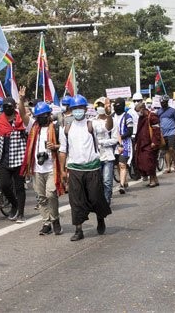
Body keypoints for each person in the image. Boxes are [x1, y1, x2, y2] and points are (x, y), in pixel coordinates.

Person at [59, 95, 112, 241]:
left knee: (95, 198)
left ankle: (100, 218)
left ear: (84, 109)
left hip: (92, 168)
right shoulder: (66, 128)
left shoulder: (92, 124)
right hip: (75, 169)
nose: (77, 111)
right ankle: (78, 229)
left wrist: (108, 114)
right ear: (71, 109)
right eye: (74, 109)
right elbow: (63, 150)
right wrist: (63, 170)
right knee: (76, 201)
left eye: (80, 108)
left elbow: (108, 127)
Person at [0, 91, 29, 222]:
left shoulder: (21, 120)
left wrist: (21, 99)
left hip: (19, 159)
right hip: (4, 159)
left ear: (14, 107)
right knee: (4, 185)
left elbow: (26, 121)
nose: (7, 108)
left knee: (20, 187)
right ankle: (14, 205)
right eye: (5, 106)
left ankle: (21, 213)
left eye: (10, 106)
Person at [20, 101, 63, 236]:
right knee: (41, 197)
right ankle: (46, 222)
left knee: (51, 194)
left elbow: (64, 146)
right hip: (37, 168)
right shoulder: (33, 127)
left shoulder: (56, 127)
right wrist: (21, 100)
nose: (41, 118)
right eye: (39, 116)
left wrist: (54, 147)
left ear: (49, 114)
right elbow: (22, 114)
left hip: (52, 167)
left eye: (44, 115)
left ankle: (55, 219)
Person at [91, 98, 115, 204]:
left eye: (103, 105)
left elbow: (114, 138)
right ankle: (99, 203)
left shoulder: (111, 120)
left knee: (107, 181)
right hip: (96, 156)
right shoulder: (92, 122)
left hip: (108, 155)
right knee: (97, 182)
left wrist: (101, 142)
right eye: (99, 105)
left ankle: (106, 202)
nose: (101, 107)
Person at [134, 101, 162, 187]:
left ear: (143, 109)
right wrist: (136, 143)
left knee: (149, 162)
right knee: (143, 162)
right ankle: (154, 179)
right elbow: (139, 131)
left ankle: (152, 180)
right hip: (142, 144)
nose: (138, 113)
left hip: (151, 143)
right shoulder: (141, 118)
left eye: (138, 111)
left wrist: (154, 141)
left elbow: (156, 130)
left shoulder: (152, 116)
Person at [112, 98, 133, 194]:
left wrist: (120, 137)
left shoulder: (127, 117)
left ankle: (121, 185)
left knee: (122, 164)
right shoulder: (112, 117)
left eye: (118, 106)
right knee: (117, 164)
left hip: (125, 144)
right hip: (114, 145)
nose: (116, 108)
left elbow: (130, 131)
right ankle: (124, 181)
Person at [157, 95, 175, 173]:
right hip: (163, 133)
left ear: (166, 102)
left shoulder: (173, 111)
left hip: (171, 132)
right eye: (161, 103)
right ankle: (168, 167)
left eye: (163, 102)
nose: (162, 104)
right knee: (165, 150)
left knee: (171, 149)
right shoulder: (159, 112)